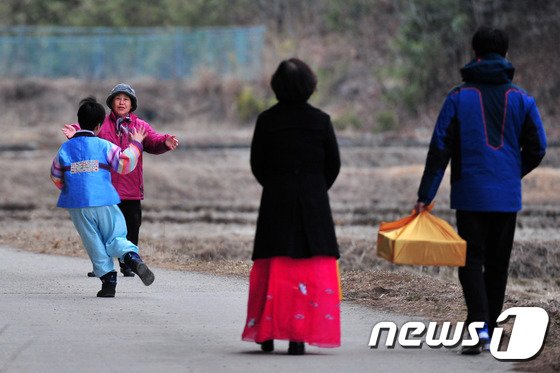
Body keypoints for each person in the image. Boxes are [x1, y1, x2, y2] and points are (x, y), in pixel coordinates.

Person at [413, 26, 547, 354]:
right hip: (505, 197)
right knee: (498, 263)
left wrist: (426, 194)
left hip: (469, 194)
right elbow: (538, 146)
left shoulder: (458, 97)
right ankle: (489, 328)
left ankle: (477, 328)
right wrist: (513, 173)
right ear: (505, 55)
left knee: (471, 260)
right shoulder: (522, 99)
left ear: (474, 54)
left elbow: (439, 148)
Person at [241, 58, 342, 355]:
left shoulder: (267, 120)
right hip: (314, 203)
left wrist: (276, 186)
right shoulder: (321, 121)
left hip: (276, 200)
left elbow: (257, 164)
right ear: (310, 86)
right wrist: (314, 190)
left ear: (277, 87)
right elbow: (333, 165)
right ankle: (298, 337)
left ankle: (267, 334)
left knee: (275, 266)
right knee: (305, 268)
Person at [62, 83, 179, 277]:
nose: (122, 102)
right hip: (105, 189)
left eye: (126, 99)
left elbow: (153, 140)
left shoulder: (139, 126)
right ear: (111, 103)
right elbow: (87, 131)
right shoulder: (103, 125)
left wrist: (164, 142)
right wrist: (76, 131)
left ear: (132, 104)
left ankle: (128, 264)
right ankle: (103, 265)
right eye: (118, 99)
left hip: (131, 188)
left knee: (132, 226)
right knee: (101, 230)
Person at [51, 97, 156, 297]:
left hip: (77, 204)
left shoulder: (65, 148)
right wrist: (136, 144)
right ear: (99, 126)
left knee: (92, 240)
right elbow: (124, 164)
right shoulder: (104, 146)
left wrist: (69, 188)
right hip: (105, 199)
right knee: (115, 234)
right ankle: (131, 257)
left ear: (79, 122)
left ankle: (108, 281)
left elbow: (56, 175)